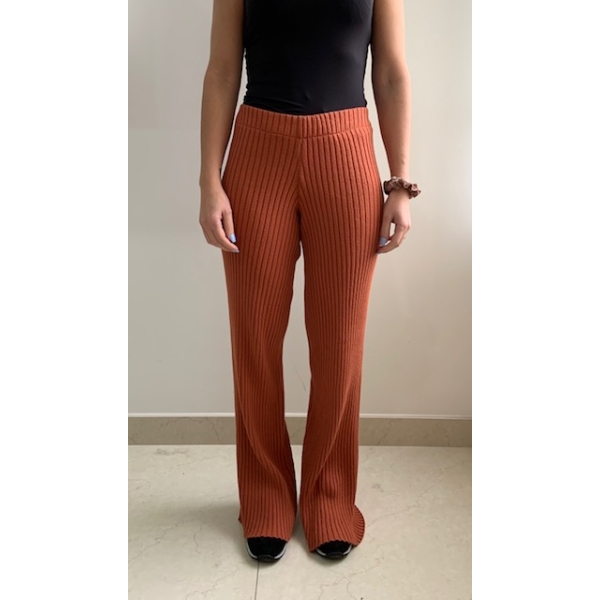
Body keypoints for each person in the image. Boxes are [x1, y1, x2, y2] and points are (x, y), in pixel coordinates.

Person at [199, 0, 421, 562]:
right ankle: (266, 497)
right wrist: (209, 182)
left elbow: (391, 72)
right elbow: (222, 70)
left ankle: (328, 498)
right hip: (257, 157)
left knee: (340, 343)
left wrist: (399, 183)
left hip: (346, 154)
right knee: (254, 337)